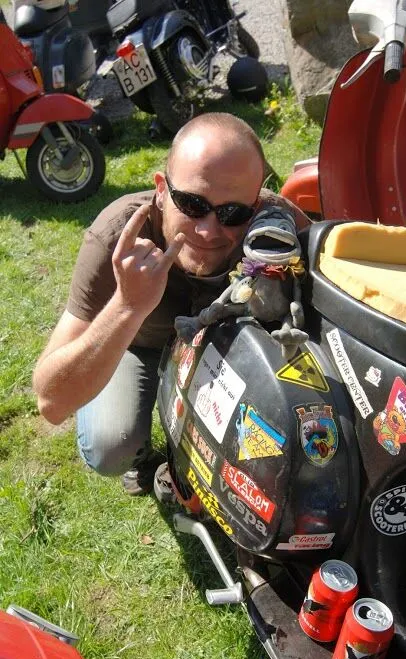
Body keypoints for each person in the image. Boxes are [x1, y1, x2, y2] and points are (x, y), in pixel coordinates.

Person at [33, 112, 311, 495]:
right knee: (111, 445)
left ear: (257, 203)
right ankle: (146, 459)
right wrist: (127, 306)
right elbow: (51, 401)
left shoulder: (278, 230)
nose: (208, 231)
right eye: (192, 204)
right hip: (138, 344)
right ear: (161, 190)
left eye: (233, 213)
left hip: (230, 345)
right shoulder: (116, 237)